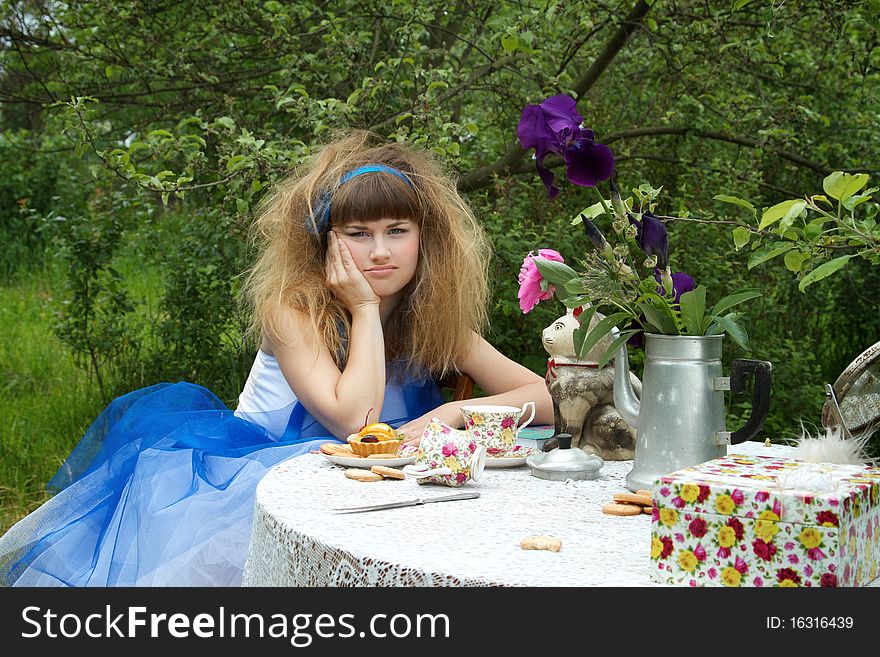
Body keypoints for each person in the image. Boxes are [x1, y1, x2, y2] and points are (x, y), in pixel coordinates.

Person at [0, 130, 552, 587]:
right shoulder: (293, 309)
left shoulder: (430, 318)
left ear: (424, 240)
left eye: (397, 232)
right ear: (325, 242)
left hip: (376, 490)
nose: (380, 252)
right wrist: (362, 306)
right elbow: (357, 422)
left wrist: (451, 414)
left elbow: (546, 398)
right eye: (358, 234)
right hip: (261, 481)